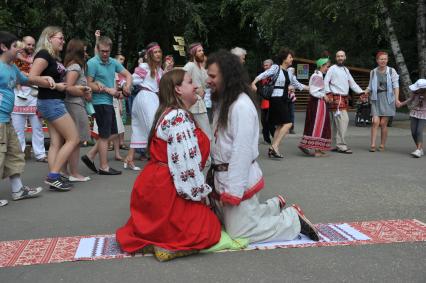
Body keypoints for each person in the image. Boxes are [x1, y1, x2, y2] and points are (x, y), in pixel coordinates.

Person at [206, 50, 319, 244]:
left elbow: (241, 152)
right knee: (225, 222)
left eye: (212, 76)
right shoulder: (223, 101)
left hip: (237, 179)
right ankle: (273, 206)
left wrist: (233, 192)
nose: (208, 80)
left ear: (227, 77)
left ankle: (292, 219)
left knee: (239, 232)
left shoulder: (241, 106)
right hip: (223, 177)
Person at [116, 69, 222, 261]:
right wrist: (199, 196)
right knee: (209, 229)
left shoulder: (170, 113)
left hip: (156, 184)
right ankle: (171, 246)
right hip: (169, 189)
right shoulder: (179, 117)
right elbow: (186, 167)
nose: (196, 86)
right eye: (190, 82)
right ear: (178, 90)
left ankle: (157, 238)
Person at [0, 31, 54, 206]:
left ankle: (18, 190)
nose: (19, 50)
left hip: (6, 121)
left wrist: (45, 79)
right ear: (3, 47)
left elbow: (27, 80)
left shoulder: (12, 67)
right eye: (15, 46)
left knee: (14, 155)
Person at [30, 26, 79, 191]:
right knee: (73, 139)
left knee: (56, 143)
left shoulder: (53, 56)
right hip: (51, 102)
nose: (63, 41)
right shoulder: (43, 54)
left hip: (51, 101)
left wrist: (58, 85)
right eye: (60, 38)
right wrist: (56, 85)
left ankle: (54, 177)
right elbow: (32, 77)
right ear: (49, 38)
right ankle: (53, 176)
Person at [82, 36, 132, 175]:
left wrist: (127, 86)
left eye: (107, 51)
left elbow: (128, 75)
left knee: (113, 133)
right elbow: (88, 83)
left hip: (109, 101)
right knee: (105, 136)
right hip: (99, 102)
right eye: (102, 51)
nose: (105, 54)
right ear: (97, 49)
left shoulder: (113, 62)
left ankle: (90, 155)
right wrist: (106, 89)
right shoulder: (92, 63)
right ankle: (104, 167)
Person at [251, 48, 308, 158]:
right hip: (276, 99)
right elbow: (265, 74)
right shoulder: (276, 67)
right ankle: (274, 147)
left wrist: (314, 88)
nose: (292, 59)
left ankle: (273, 148)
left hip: (283, 100)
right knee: (288, 123)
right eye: (290, 57)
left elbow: (298, 85)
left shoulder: (289, 73)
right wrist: (254, 82)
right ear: (284, 58)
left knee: (280, 125)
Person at [123, 42, 163, 170]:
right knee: (154, 127)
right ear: (150, 54)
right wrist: (124, 85)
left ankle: (129, 158)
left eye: (159, 52)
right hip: (146, 98)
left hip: (152, 98)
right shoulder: (145, 67)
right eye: (155, 52)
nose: (158, 54)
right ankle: (157, 157)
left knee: (139, 128)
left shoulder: (159, 70)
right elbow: (132, 79)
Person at [11, 35, 47, 162]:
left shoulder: (37, 59)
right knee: (18, 130)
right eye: (28, 44)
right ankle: (19, 155)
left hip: (34, 95)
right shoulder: (14, 58)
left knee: (38, 128)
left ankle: (40, 154)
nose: (31, 47)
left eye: (33, 45)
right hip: (17, 96)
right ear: (22, 44)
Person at [63, 39, 92, 182]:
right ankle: (74, 173)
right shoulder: (75, 66)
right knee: (76, 140)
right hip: (73, 105)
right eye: (84, 50)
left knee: (71, 140)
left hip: (74, 104)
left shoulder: (72, 65)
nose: (86, 54)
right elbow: (68, 87)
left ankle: (65, 171)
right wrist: (85, 91)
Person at [324, 50, 363, 154]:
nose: (340, 58)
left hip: (343, 98)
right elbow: (325, 81)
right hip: (335, 98)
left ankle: (333, 145)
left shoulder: (346, 70)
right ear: (335, 58)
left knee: (336, 124)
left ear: (345, 57)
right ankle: (341, 145)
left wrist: (361, 92)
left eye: (342, 56)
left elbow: (352, 83)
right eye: (338, 56)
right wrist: (328, 93)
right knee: (344, 120)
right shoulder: (332, 68)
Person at [365, 51, 399, 152]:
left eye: (385, 59)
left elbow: (396, 86)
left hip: (388, 98)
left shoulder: (392, 71)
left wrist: (396, 99)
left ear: (387, 60)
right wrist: (364, 92)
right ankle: (372, 144)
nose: (383, 61)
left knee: (383, 123)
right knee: (375, 122)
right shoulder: (373, 72)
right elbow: (370, 86)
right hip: (376, 98)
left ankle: (382, 144)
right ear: (377, 60)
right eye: (381, 59)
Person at [298, 57, 332, 157]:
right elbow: (313, 91)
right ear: (321, 66)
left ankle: (317, 148)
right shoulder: (317, 76)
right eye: (327, 66)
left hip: (317, 103)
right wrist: (324, 95)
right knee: (318, 125)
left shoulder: (318, 75)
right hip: (317, 104)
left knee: (318, 124)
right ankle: (317, 150)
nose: (328, 68)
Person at [183, 42, 211, 140]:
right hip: (194, 105)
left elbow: (209, 83)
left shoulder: (201, 69)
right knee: (205, 132)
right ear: (193, 53)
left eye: (202, 50)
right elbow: (181, 81)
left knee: (199, 133)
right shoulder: (190, 66)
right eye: (199, 51)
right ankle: (208, 155)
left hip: (200, 103)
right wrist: (194, 89)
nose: (202, 52)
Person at [397, 79, 426, 158]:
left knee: (419, 131)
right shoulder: (415, 92)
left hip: (423, 114)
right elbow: (410, 99)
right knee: (413, 132)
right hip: (414, 113)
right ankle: (419, 149)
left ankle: (419, 150)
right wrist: (401, 104)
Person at [258, 59, 275, 144]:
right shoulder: (262, 76)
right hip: (263, 101)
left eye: (267, 65)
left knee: (270, 121)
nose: (265, 67)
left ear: (271, 66)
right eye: (264, 65)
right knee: (264, 121)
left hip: (272, 101)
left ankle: (275, 137)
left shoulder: (274, 75)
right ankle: (266, 139)